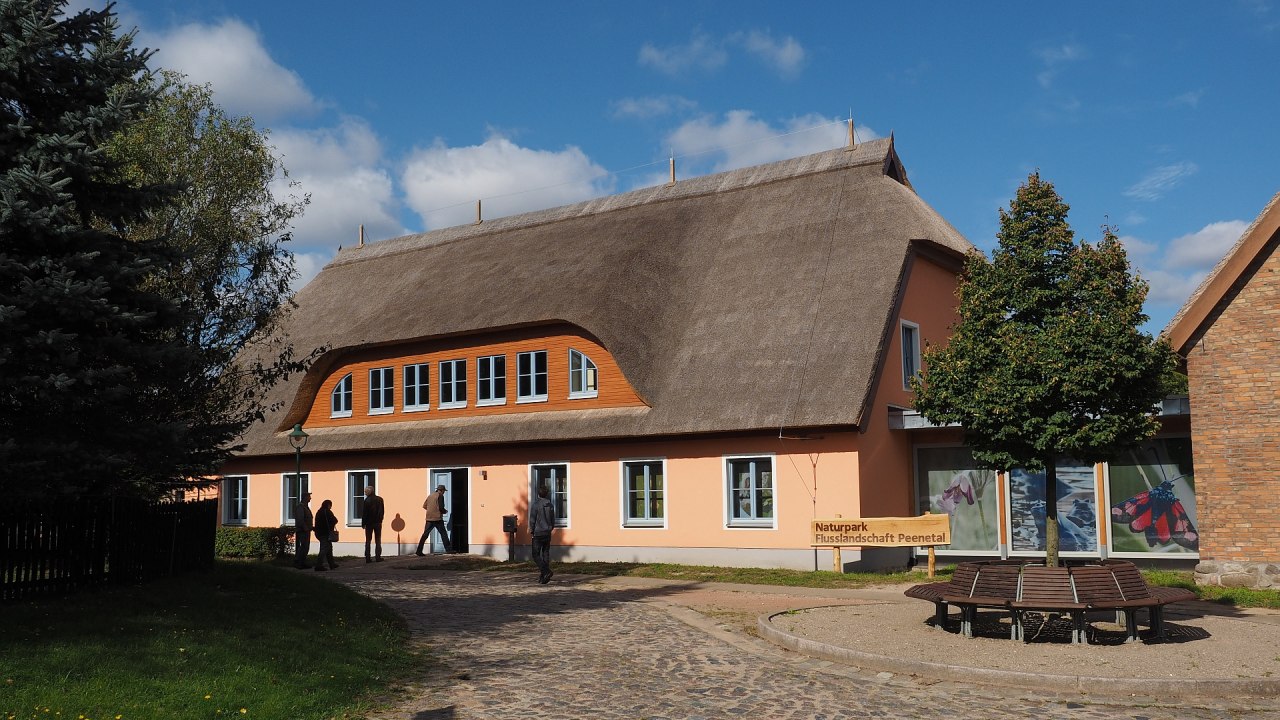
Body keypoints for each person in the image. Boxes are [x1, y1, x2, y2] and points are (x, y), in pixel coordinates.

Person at [529, 484, 557, 584]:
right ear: (546, 494)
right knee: (545, 553)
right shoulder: (550, 505)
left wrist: (531, 530)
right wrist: (550, 528)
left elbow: (532, 519)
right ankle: (544, 577)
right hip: (547, 533)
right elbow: (553, 520)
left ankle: (546, 571)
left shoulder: (536, 505)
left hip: (538, 533)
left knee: (535, 554)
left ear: (538, 494)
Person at [415, 484, 452, 556]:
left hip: (429, 518)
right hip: (437, 518)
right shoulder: (440, 496)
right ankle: (449, 549)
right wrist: (445, 511)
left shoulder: (430, 496)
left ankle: (419, 551)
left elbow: (424, 506)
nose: (444, 492)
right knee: (443, 534)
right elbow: (441, 507)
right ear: (441, 490)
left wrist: (431, 510)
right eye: (444, 491)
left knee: (425, 535)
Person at [313, 499, 339, 571]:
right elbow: (335, 520)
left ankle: (332, 563)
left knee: (329, 548)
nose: (331, 507)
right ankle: (319, 565)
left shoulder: (319, 512)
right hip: (325, 532)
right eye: (330, 505)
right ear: (328, 505)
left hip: (319, 532)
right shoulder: (327, 512)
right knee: (324, 549)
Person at [362, 485, 385, 563]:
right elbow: (382, 511)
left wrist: (363, 523)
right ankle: (378, 557)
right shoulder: (380, 499)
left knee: (368, 540)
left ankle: (368, 558)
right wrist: (380, 519)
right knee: (378, 540)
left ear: (369, 492)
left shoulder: (367, 501)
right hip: (377, 522)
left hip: (369, 523)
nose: (365, 493)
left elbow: (364, 513)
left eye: (365, 491)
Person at [293, 491, 313, 569]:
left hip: (307, 530)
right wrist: (305, 528)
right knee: (303, 547)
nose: (310, 498)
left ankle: (302, 562)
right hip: (303, 531)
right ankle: (298, 562)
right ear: (305, 498)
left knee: (306, 547)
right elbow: (300, 519)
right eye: (309, 497)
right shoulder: (300, 507)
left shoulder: (305, 507)